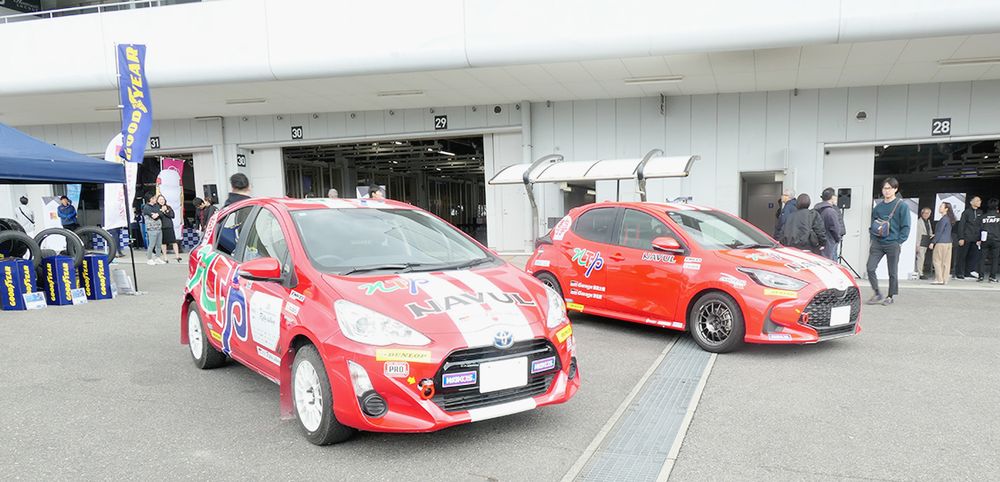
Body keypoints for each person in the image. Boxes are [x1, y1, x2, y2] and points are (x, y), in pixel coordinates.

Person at [866, 177, 910, 306]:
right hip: (878, 243)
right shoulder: (878, 207)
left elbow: (906, 226)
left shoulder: (902, 206)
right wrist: (873, 238)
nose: (886, 191)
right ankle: (877, 292)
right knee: (870, 268)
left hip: (893, 243)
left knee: (892, 271)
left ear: (895, 189)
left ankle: (890, 296)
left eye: (889, 188)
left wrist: (899, 241)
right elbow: (872, 224)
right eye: (884, 188)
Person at [954, 195, 983, 279]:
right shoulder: (966, 212)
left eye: (980, 200)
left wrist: (980, 238)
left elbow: (981, 226)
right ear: (971, 202)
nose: (979, 202)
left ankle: (968, 272)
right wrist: (961, 237)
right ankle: (959, 272)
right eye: (977, 200)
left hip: (976, 238)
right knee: (962, 256)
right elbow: (961, 225)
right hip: (966, 237)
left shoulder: (980, 212)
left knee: (972, 256)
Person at [929, 202, 956, 285]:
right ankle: (944, 279)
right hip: (948, 242)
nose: (939, 208)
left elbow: (940, 231)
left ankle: (939, 279)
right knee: (946, 262)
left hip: (941, 242)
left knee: (937, 261)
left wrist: (933, 242)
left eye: (941, 207)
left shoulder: (943, 219)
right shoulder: (949, 219)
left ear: (946, 209)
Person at [814, 188, 845, 261]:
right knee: (830, 264)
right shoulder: (831, 211)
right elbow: (835, 228)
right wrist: (838, 238)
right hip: (829, 241)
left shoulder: (816, 209)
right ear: (832, 197)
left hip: (818, 242)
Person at [979, 198, 1000, 283]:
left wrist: (979, 239)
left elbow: (979, 228)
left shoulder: (983, 216)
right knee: (995, 259)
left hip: (985, 239)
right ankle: (992, 277)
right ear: (997, 207)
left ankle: (981, 276)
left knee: (982, 258)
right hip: (996, 240)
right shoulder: (999, 217)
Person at [156, 195, 182, 263]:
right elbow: (157, 216)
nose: (162, 201)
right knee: (163, 243)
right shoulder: (156, 208)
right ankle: (165, 257)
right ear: (157, 201)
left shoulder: (168, 207)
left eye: (163, 199)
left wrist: (166, 211)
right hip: (162, 227)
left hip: (169, 226)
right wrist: (161, 211)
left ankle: (177, 256)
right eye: (160, 199)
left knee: (174, 242)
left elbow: (172, 215)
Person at [141, 193, 165, 265]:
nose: (155, 199)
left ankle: (157, 258)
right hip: (151, 228)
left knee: (159, 244)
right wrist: (159, 212)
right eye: (154, 198)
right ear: (150, 199)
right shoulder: (146, 207)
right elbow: (154, 216)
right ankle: (149, 259)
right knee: (151, 245)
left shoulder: (156, 206)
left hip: (159, 228)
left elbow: (161, 214)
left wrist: (158, 213)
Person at [915, 207, 934, 280]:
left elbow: (929, 231)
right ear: (922, 213)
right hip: (921, 241)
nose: (926, 215)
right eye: (925, 213)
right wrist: (917, 244)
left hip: (926, 241)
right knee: (920, 258)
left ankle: (920, 272)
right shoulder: (918, 222)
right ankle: (920, 273)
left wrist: (932, 235)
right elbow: (917, 234)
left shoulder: (928, 221)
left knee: (922, 258)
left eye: (928, 213)